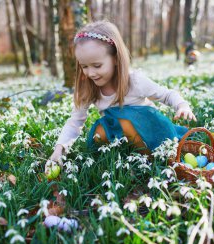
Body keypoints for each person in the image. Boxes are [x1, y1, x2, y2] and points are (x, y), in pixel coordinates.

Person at [46, 21, 196, 170]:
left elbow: (166, 94)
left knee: (124, 120)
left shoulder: (135, 81)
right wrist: (59, 149)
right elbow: (75, 122)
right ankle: (124, 158)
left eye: (97, 66)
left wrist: (182, 105)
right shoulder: (88, 87)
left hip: (149, 131)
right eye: (84, 66)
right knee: (99, 134)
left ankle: (154, 162)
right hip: (119, 133)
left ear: (116, 59)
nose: (90, 73)